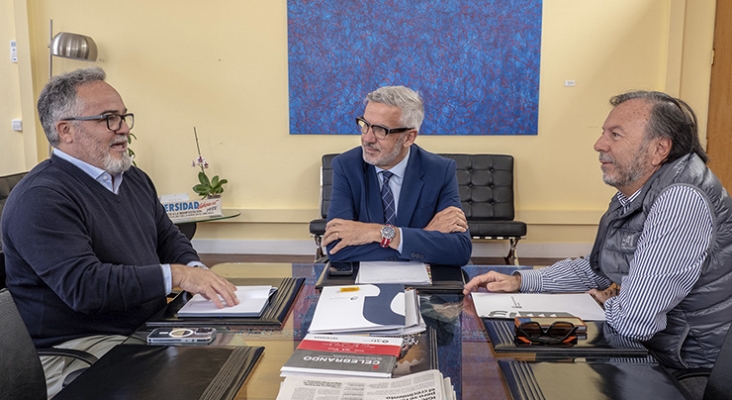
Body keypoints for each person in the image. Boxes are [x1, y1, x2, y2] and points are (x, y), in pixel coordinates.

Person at [1, 67, 238, 397]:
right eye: (109, 118)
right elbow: (85, 287)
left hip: (145, 326)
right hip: (79, 348)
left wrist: (195, 270)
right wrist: (178, 276)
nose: (124, 129)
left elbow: (167, 237)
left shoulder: (133, 178)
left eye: (124, 117)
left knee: (234, 359)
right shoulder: (41, 198)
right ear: (65, 130)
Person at [464, 90, 732, 370]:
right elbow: (599, 269)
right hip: (657, 351)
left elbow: (635, 320)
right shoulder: (635, 194)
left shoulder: (680, 200)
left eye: (615, 134)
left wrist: (605, 302)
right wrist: (520, 281)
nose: (598, 144)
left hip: (690, 367)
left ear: (659, 149)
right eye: (604, 133)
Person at [323, 86, 472, 266]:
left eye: (380, 130)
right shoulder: (347, 166)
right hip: (364, 286)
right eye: (365, 125)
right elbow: (336, 247)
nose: (367, 138)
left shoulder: (439, 170)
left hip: (424, 287)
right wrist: (423, 235)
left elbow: (459, 250)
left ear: (409, 138)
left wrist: (377, 233)